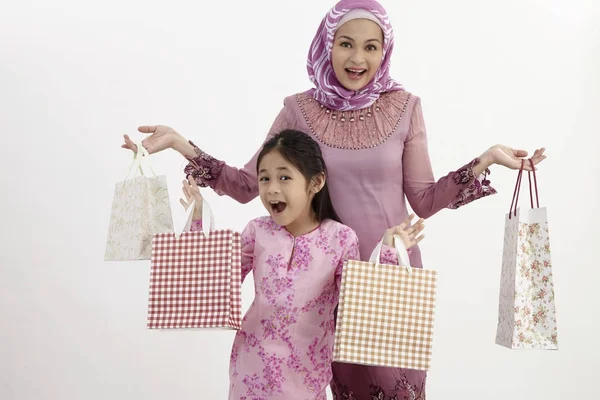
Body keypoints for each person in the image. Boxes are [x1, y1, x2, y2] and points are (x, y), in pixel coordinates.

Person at [121, 1, 546, 397]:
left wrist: (486, 159)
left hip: (388, 273)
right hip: (320, 279)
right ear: (327, 45)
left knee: (398, 388)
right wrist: (181, 144)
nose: (357, 59)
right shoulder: (298, 110)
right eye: (345, 44)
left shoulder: (405, 107)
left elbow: (425, 200)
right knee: (343, 387)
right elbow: (248, 185)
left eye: (370, 47)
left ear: (385, 52)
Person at [179, 129, 425, 399]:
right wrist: (198, 221)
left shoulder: (340, 238)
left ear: (316, 182)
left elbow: (358, 307)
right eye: (264, 178)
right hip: (249, 373)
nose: (272, 188)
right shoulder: (257, 230)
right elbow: (215, 283)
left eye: (284, 177)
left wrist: (388, 251)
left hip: (305, 379)